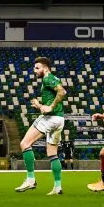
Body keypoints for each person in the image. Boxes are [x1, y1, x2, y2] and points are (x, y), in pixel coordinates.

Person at [13, 56, 67, 195]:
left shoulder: (48, 78)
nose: (35, 71)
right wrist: (41, 106)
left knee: (25, 143)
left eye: (37, 68)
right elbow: (52, 101)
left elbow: (62, 92)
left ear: (45, 68)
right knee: (52, 153)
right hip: (59, 119)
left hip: (50, 118)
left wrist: (49, 107)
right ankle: (57, 187)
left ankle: (30, 180)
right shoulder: (47, 80)